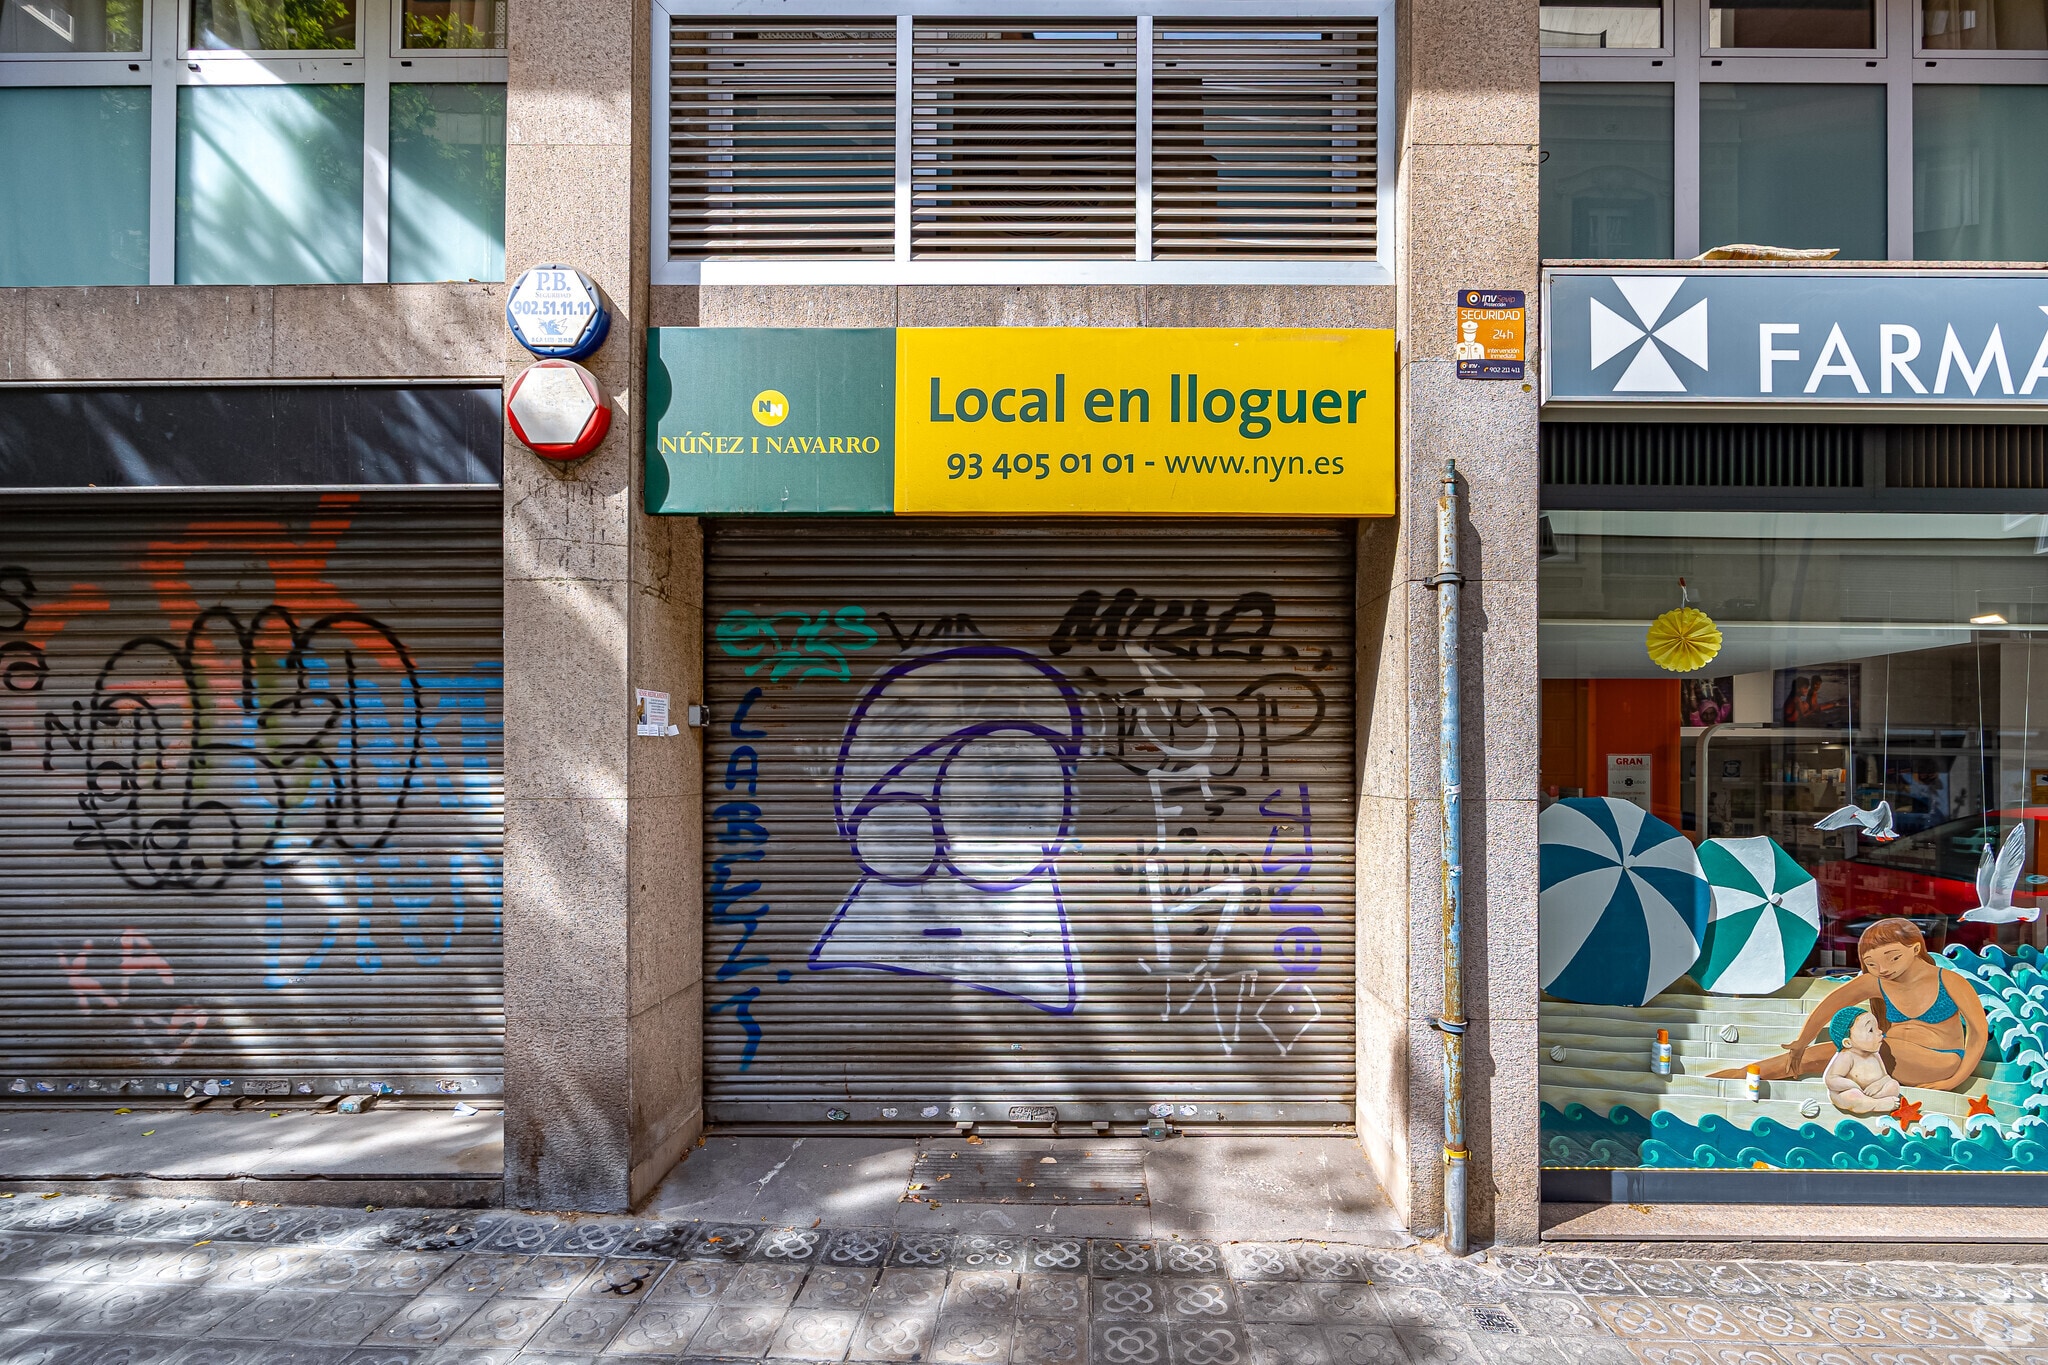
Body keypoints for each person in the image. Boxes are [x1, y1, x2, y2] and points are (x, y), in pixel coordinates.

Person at [1712, 917, 1988, 1091]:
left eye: (1892, 957)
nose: (1883, 968)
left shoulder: (1948, 980)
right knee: (1815, 1055)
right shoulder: (1876, 981)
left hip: (1939, 1060)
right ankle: (1733, 1077)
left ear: (1915, 949)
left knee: (1826, 1055)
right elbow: (1828, 1007)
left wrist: (1954, 1080)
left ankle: (1734, 1078)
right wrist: (1800, 1042)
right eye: (1872, 964)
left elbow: (1978, 1032)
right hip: (1886, 1053)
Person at [1820, 1006, 1902, 1114]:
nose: (1880, 1032)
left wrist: (1878, 1084)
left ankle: (1871, 1102)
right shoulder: (1847, 1056)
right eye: (1871, 1030)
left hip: (1871, 1092)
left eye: (1877, 1027)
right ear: (1848, 1042)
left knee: (1893, 1085)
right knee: (1852, 1096)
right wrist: (1852, 1085)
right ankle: (1876, 1104)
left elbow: (1885, 1076)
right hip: (1850, 1093)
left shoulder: (1875, 1055)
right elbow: (1831, 1079)